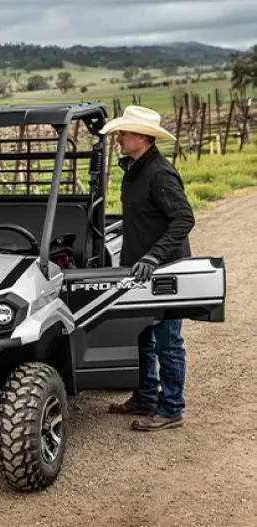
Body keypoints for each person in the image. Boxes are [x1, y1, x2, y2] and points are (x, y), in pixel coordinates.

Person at [100, 106, 195, 432]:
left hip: (165, 271)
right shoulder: (136, 170)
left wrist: (154, 257)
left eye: (123, 133)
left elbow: (184, 218)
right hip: (141, 271)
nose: (118, 138)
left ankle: (171, 409)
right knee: (142, 336)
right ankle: (144, 396)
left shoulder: (159, 173)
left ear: (140, 137)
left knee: (168, 341)